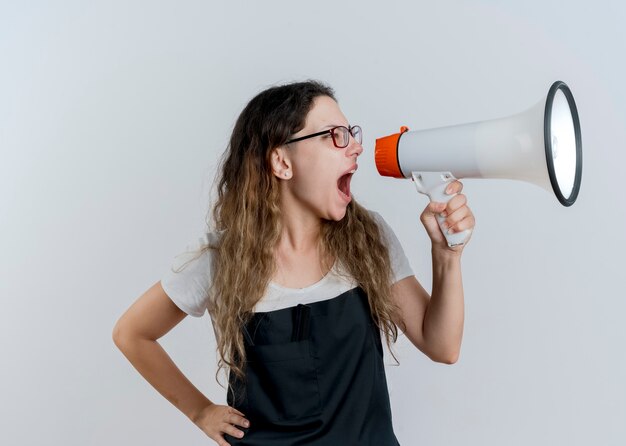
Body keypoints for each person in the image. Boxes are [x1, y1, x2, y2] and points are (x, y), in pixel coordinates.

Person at [112, 80, 475, 445]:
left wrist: (446, 256)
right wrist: (200, 411)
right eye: (334, 135)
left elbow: (442, 345)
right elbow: (132, 334)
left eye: (351, 133)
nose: (357, 146)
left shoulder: (368, 239)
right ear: (282, 161)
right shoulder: (219, 259)